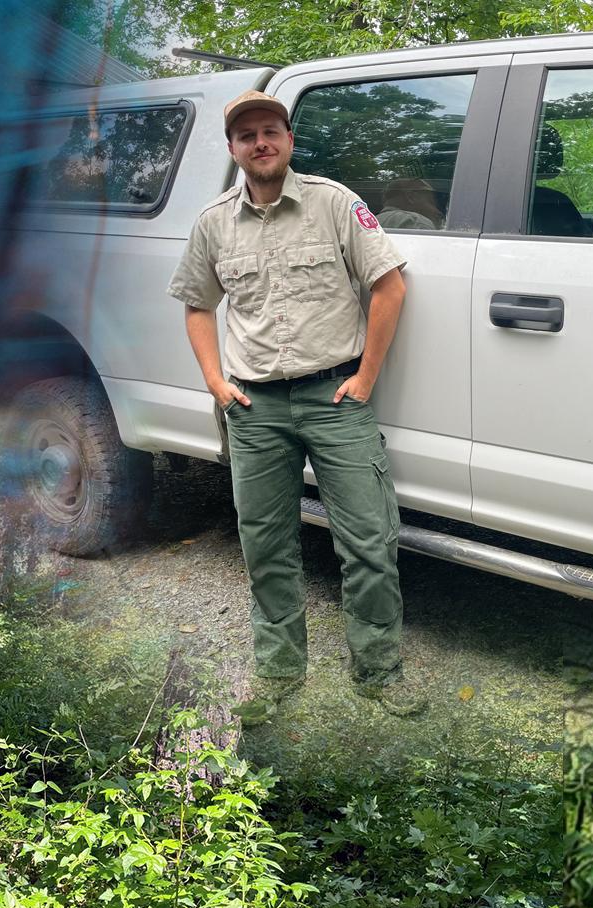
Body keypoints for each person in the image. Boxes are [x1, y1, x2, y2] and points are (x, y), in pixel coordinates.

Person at [169, 90, 425, 725]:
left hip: (334, 397)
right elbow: (197, 304)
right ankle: (279, 669)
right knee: (265, 544)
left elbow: (390, 285)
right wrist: (215, 382)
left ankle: (378, 670)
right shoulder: (212, 223)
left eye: (271, 130)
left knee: (367, 540)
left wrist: (365, 377)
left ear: (288, 139)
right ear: (233, 149)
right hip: (255, 407)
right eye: (247, 135)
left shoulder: (336, 204)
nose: (261, 142)